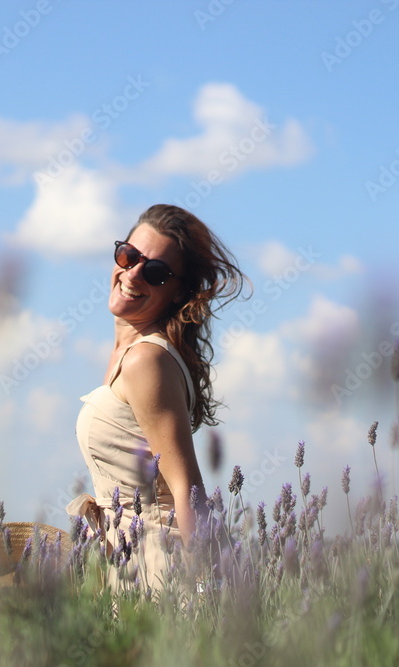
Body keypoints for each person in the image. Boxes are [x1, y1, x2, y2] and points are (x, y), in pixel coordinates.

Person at [66, 204, 248, 594]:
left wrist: (206, 592)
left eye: (155, 272)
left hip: (161, 573)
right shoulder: (130, 356)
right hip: (130, 567)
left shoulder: (146, 360)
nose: (132, 274)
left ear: (177, 291)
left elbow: (187, 488)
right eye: (128, 255)